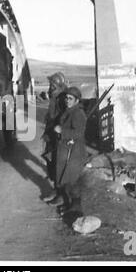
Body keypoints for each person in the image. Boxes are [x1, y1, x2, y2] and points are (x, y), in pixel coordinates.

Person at [51, 86, 87, 215]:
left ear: (77, 100)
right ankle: (69, 204)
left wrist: (62, 131)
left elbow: (78, 133)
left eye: (71, 98)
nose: (67, 100)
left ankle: (76, 208)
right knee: (66, 180)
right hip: (67, 150)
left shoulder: (78, 113)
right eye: (67, 98)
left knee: (71, 181)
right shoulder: (69, 110)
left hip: (75, 152)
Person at [41, 72, 67, 202]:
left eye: (53, 84)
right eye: (50, 84)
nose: (50, 87)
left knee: (59, 165)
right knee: (51, 163)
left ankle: (62, 194)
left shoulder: (63, 99)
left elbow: (65, 117)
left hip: (59, 137)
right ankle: (56, 190)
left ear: (58, 85)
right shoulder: (54, 97)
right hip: (51, 134)